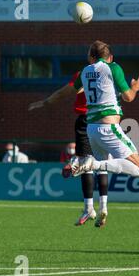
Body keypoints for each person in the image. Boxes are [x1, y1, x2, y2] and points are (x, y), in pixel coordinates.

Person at [63, 40, 139, 228]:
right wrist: (134, 88)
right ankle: (89, 164)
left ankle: (101, 208)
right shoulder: (113, 68)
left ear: (90, 56)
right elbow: (128, 97)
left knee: (104, 167)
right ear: (109, 57)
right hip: (108, 128)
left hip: (91, 128)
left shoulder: (85, 71)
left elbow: (76, 89)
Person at [28, 72, 109, 227]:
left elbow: (67, 91)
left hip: (86, 119)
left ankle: (89, 208)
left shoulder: (85, 73)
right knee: (102, 165)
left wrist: (45, 102)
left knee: (86, 165)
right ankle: (104, 207)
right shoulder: (111, 73)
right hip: (106, 121)